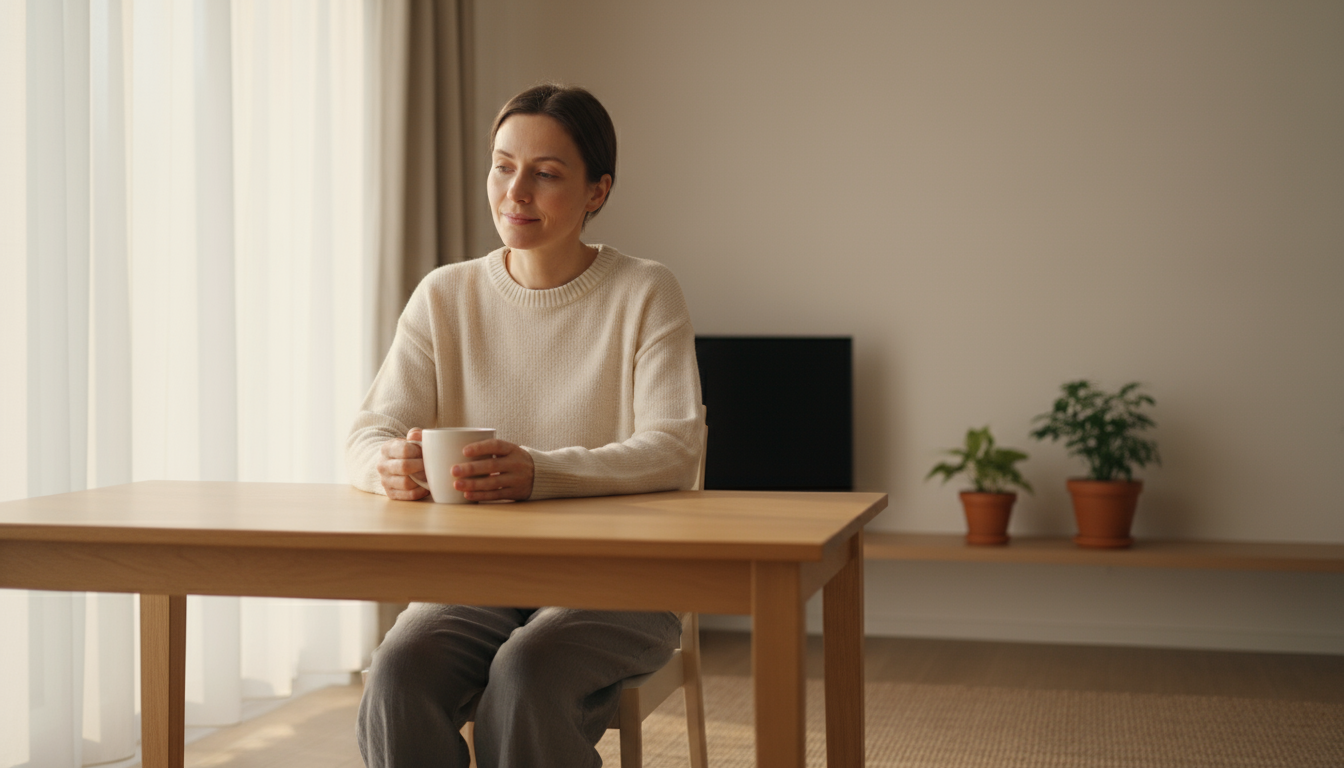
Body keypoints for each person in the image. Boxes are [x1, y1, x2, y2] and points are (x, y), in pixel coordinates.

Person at [347, 83, 705, 768]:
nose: (516, 192)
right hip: (478, 580)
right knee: (397, 672)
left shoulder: (645, 291)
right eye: (503, 165)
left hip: (623, 582)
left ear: (597, 192)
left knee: (528, 671)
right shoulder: (445, 296)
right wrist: (386, 463)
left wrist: (540, 472)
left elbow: (674, 448)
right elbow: (367, 434)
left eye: (545, 174)